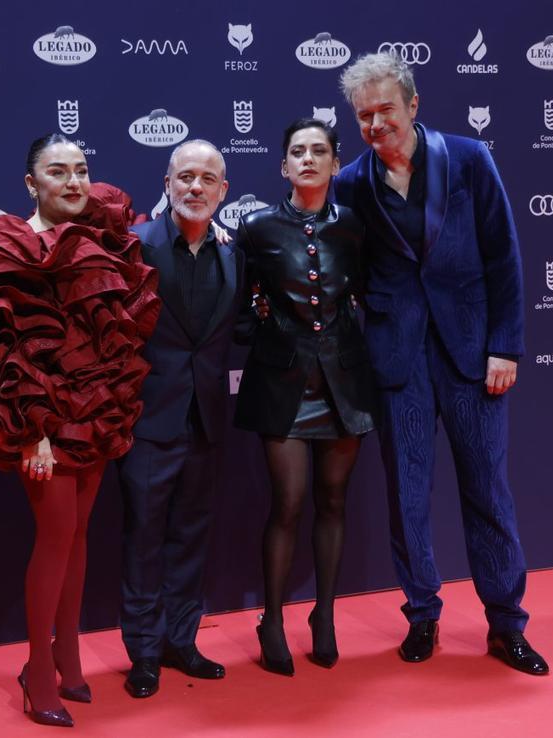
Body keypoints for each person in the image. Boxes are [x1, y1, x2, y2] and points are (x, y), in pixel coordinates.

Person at [0, 133, 160, 726]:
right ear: (31, 184)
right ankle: (37, 672)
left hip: (95, 407)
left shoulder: (101, 240)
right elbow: (3, 350)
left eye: (82, 170)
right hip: (35, 421)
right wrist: (35, 432)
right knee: (55, 535)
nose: (75, 182)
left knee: (80, 534)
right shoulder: (4, 246)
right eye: (59, 172)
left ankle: (70, 660)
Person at [333, 53, 549, 675]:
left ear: (414, 106)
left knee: (488, 492)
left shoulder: (469, 159)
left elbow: (504, 256)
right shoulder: (352, 182)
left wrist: (505, 344)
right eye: (364, 115)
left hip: (473, 355)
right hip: (397, 362)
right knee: (408, 496)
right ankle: (422, 613)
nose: (376, 125)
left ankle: (507, 624)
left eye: (386, 111)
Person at [233, 119, 375, 676]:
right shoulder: (257, 228)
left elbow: (370, 294)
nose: (309, 159)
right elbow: (240, 305)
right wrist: (268, 328)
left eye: (320, 151)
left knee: (334, 502)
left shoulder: (357, 228)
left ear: (337, 164)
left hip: (345, 381)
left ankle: (325, 616)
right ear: (283, 166)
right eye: (298, 151)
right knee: (288, 502)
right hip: (283, 382)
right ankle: (271, 620)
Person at [117, 139, 245, 698]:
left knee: (191, 537)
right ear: (167, 184)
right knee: (144, 538)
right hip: (148, 420)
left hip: (207, 422)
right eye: (185, 177)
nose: (196, 187)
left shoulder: (233, 253)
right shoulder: (135, 248)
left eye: (207, 179)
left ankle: (181, 642)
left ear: (224, 190)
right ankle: (143, 654)